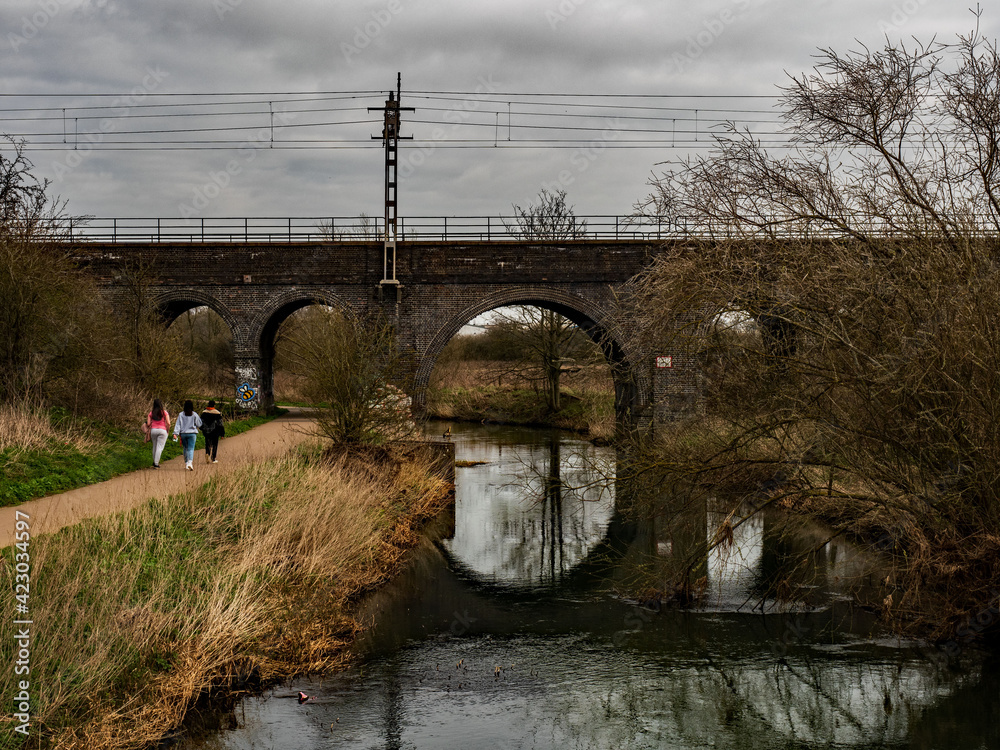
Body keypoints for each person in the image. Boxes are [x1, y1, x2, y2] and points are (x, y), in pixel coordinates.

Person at [172, 399, 203, 471]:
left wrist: (175, 433)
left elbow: (178, 425)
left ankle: (186, 463)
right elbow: (199, 424)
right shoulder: (194, 414)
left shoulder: (181, 414)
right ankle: (190, 463)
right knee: (191, 448)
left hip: (183, 434)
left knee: (185, 448)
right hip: (192, 433)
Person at [146, 399, 171, 469]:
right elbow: (168, 423)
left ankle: (154, 461)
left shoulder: (151, 413)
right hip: (162, 430)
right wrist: (167, 430)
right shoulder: (164, 412)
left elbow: (148, 424)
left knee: (155, 446)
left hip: (153, 430)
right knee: (159, 447)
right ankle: (156, 463)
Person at [199, 400, 226, 464]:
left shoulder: (204, 413)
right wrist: (222, 433)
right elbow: (220, 424)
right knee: (215, 444)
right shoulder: (217, 413)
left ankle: (207, 453)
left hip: (206, 431)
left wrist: (202, 429)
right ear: (214, 405)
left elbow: (201, 422)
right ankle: (213, 458)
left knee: (207, 443)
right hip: (215, 431)